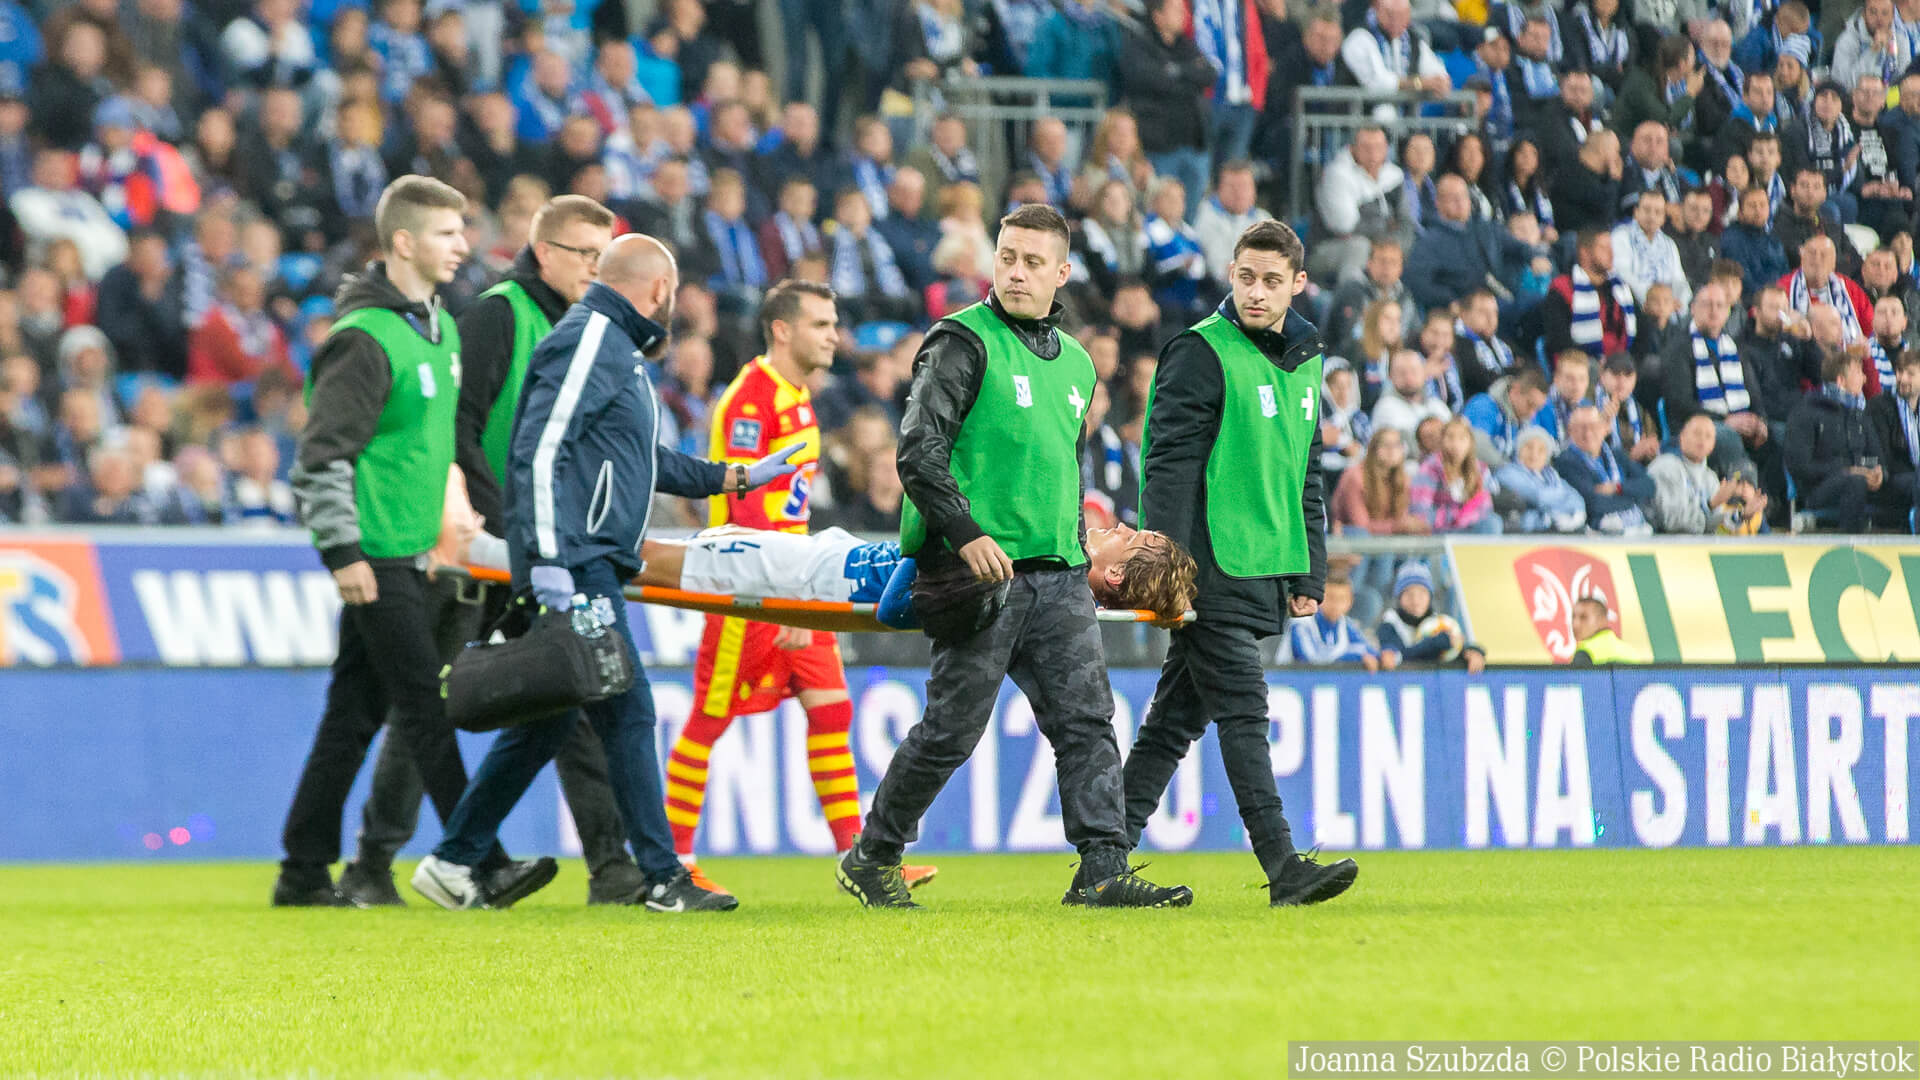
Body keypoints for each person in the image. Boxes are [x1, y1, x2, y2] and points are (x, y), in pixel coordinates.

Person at [409, 234, 801, 913]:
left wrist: (735, 476)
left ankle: (453, 859)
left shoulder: (612, 348)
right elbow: (538, 450)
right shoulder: (591, 339)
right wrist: (546, 561)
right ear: (659, 290)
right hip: (576, 562)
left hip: (584, 558)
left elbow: (645, 460)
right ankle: (662, 876)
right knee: (628, 709)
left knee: (553, 718)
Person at [836, 203, 1193, 910]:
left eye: (1033, 262)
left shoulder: (1080, 365)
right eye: (1007, 257)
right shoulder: (960, 342)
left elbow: (1062, 466)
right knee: (951, 732)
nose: (1017, 272)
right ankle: (873, 855)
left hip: (1060, 574)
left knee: (1087, 724)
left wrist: (1076, 547)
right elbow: (918, 450)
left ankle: (1103, 868)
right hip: (979, 574)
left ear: (1062, 273)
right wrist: (965, 532)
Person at [334, 195, 647, 909]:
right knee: (430, 709)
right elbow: (460, 427)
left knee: (574, 694)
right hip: (477, 549)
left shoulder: (584, 328)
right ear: (546, 252)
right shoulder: (500, 315)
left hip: (538, 549)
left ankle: (611, 865)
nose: (596, 268)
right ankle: (371, 864)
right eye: (584, 254)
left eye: (605, 256)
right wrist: (508, 529)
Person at [273, 177, 552, 909]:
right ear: (403, 242)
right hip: (375, 556)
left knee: (352, 717)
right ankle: (479, 862)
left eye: (462, 231)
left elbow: (435, 452)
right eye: (446, 233)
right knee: (427, 706)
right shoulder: (364, 339)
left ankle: (302, 871)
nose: (463, 245)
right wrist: (343, 553)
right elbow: (321, 457)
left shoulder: (442, 330)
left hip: (415, 553)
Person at [660, 280, 928, 897]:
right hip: (748, 588)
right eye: (821, 324)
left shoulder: (800, 396)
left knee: (831, 709)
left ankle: (861, 858)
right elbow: (744, 506)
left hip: (798, 581)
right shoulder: (752, 399)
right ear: (782, 330)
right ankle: (674, 860)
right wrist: (783, 600)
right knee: (708, 719)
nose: (835, 335)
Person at [1123, 219, 1357, 908]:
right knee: (1245, 711)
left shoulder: (1307, 361)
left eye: (1271, 281)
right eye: (1247, 277)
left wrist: (1309, 569)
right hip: (1209, 567)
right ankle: (1284, 866)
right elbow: (1167, 468)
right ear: (1231, 273)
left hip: (1263, 562)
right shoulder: (1199, 351)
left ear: (1298, 284)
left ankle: (1101, 857)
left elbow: (1305, 470)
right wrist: (1166, 570)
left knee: (1173, 723)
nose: (1257, 292)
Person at [1785, 348, 1890, 532]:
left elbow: (1878, 458)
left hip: (1861, 483)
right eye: (1858, 373)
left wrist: (1880, 474)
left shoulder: (1860, 415)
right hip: (1817, 489)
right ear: (1841, 380)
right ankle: (1849, 543)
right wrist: (1846, 470)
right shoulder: (1806, 412)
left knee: (1904, 484)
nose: (1865, 379)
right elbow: (1800, 466)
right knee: (1855, 482)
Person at [1554, 403, 1656, 534]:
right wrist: (1634, 499)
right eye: (1581, 428)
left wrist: (1617, 488)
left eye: (1593, 426)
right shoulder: (1566, 461)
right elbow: (1593, 503)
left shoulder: (1617, 454)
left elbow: (1649, 485)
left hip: (1633, 527)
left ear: (1605, 428)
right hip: (1596, 534)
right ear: (1570, 431)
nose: (1588, 433)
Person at [1543, 228, 1636, 360]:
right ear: (1585, 253)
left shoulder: (1620, 288)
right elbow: (1559, 341)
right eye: (1603, 248)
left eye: (1611, 247)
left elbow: (1641, 333)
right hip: (1580, 362)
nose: (1611, 253)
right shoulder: (1561, 288)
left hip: (1619, 362)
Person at [1375, 561, 1484, 671]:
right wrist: (1434, 643)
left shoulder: (1439, 623)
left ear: (1430, 596)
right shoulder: (1389, 624)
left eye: (1422, 593)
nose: (1415, 601)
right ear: (1399, 597)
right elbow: (1400, 658)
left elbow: (1455, 650)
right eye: (1408, 594)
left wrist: (1471, 652)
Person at [1278, 571, 1381, 670]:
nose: (1336, 604)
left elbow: (1367, 649)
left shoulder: (1345, 624)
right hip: (1286, 680)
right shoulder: (1301, 622)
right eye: (1331, 598)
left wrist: (1383, 656)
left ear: (1350, 602)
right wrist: (1354, 657)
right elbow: (1309, 661)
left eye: (1342, 599)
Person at [1494, 424, 1588, 532]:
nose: (1534, 454)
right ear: (1519, 450)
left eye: (1541, 450)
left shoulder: (1552, 477)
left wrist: (1574, 515)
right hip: (1525, 532)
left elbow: (1578, 501)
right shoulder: (1507, 472)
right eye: (1529, 447)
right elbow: (1538, 496)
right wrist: (1563, 508)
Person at [1866, 349, 1920, 524]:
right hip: (1893, 478)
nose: (1902, 379)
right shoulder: (1879, 407)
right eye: (1900, 371)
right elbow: (1884, 458)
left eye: (1910, 374)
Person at [1567, 597, 1642, 664]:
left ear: (1601, 620)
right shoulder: (1631, 652)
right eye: (1573, 617)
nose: (1575, 624)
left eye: (1584, 617)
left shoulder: (1586, 651)